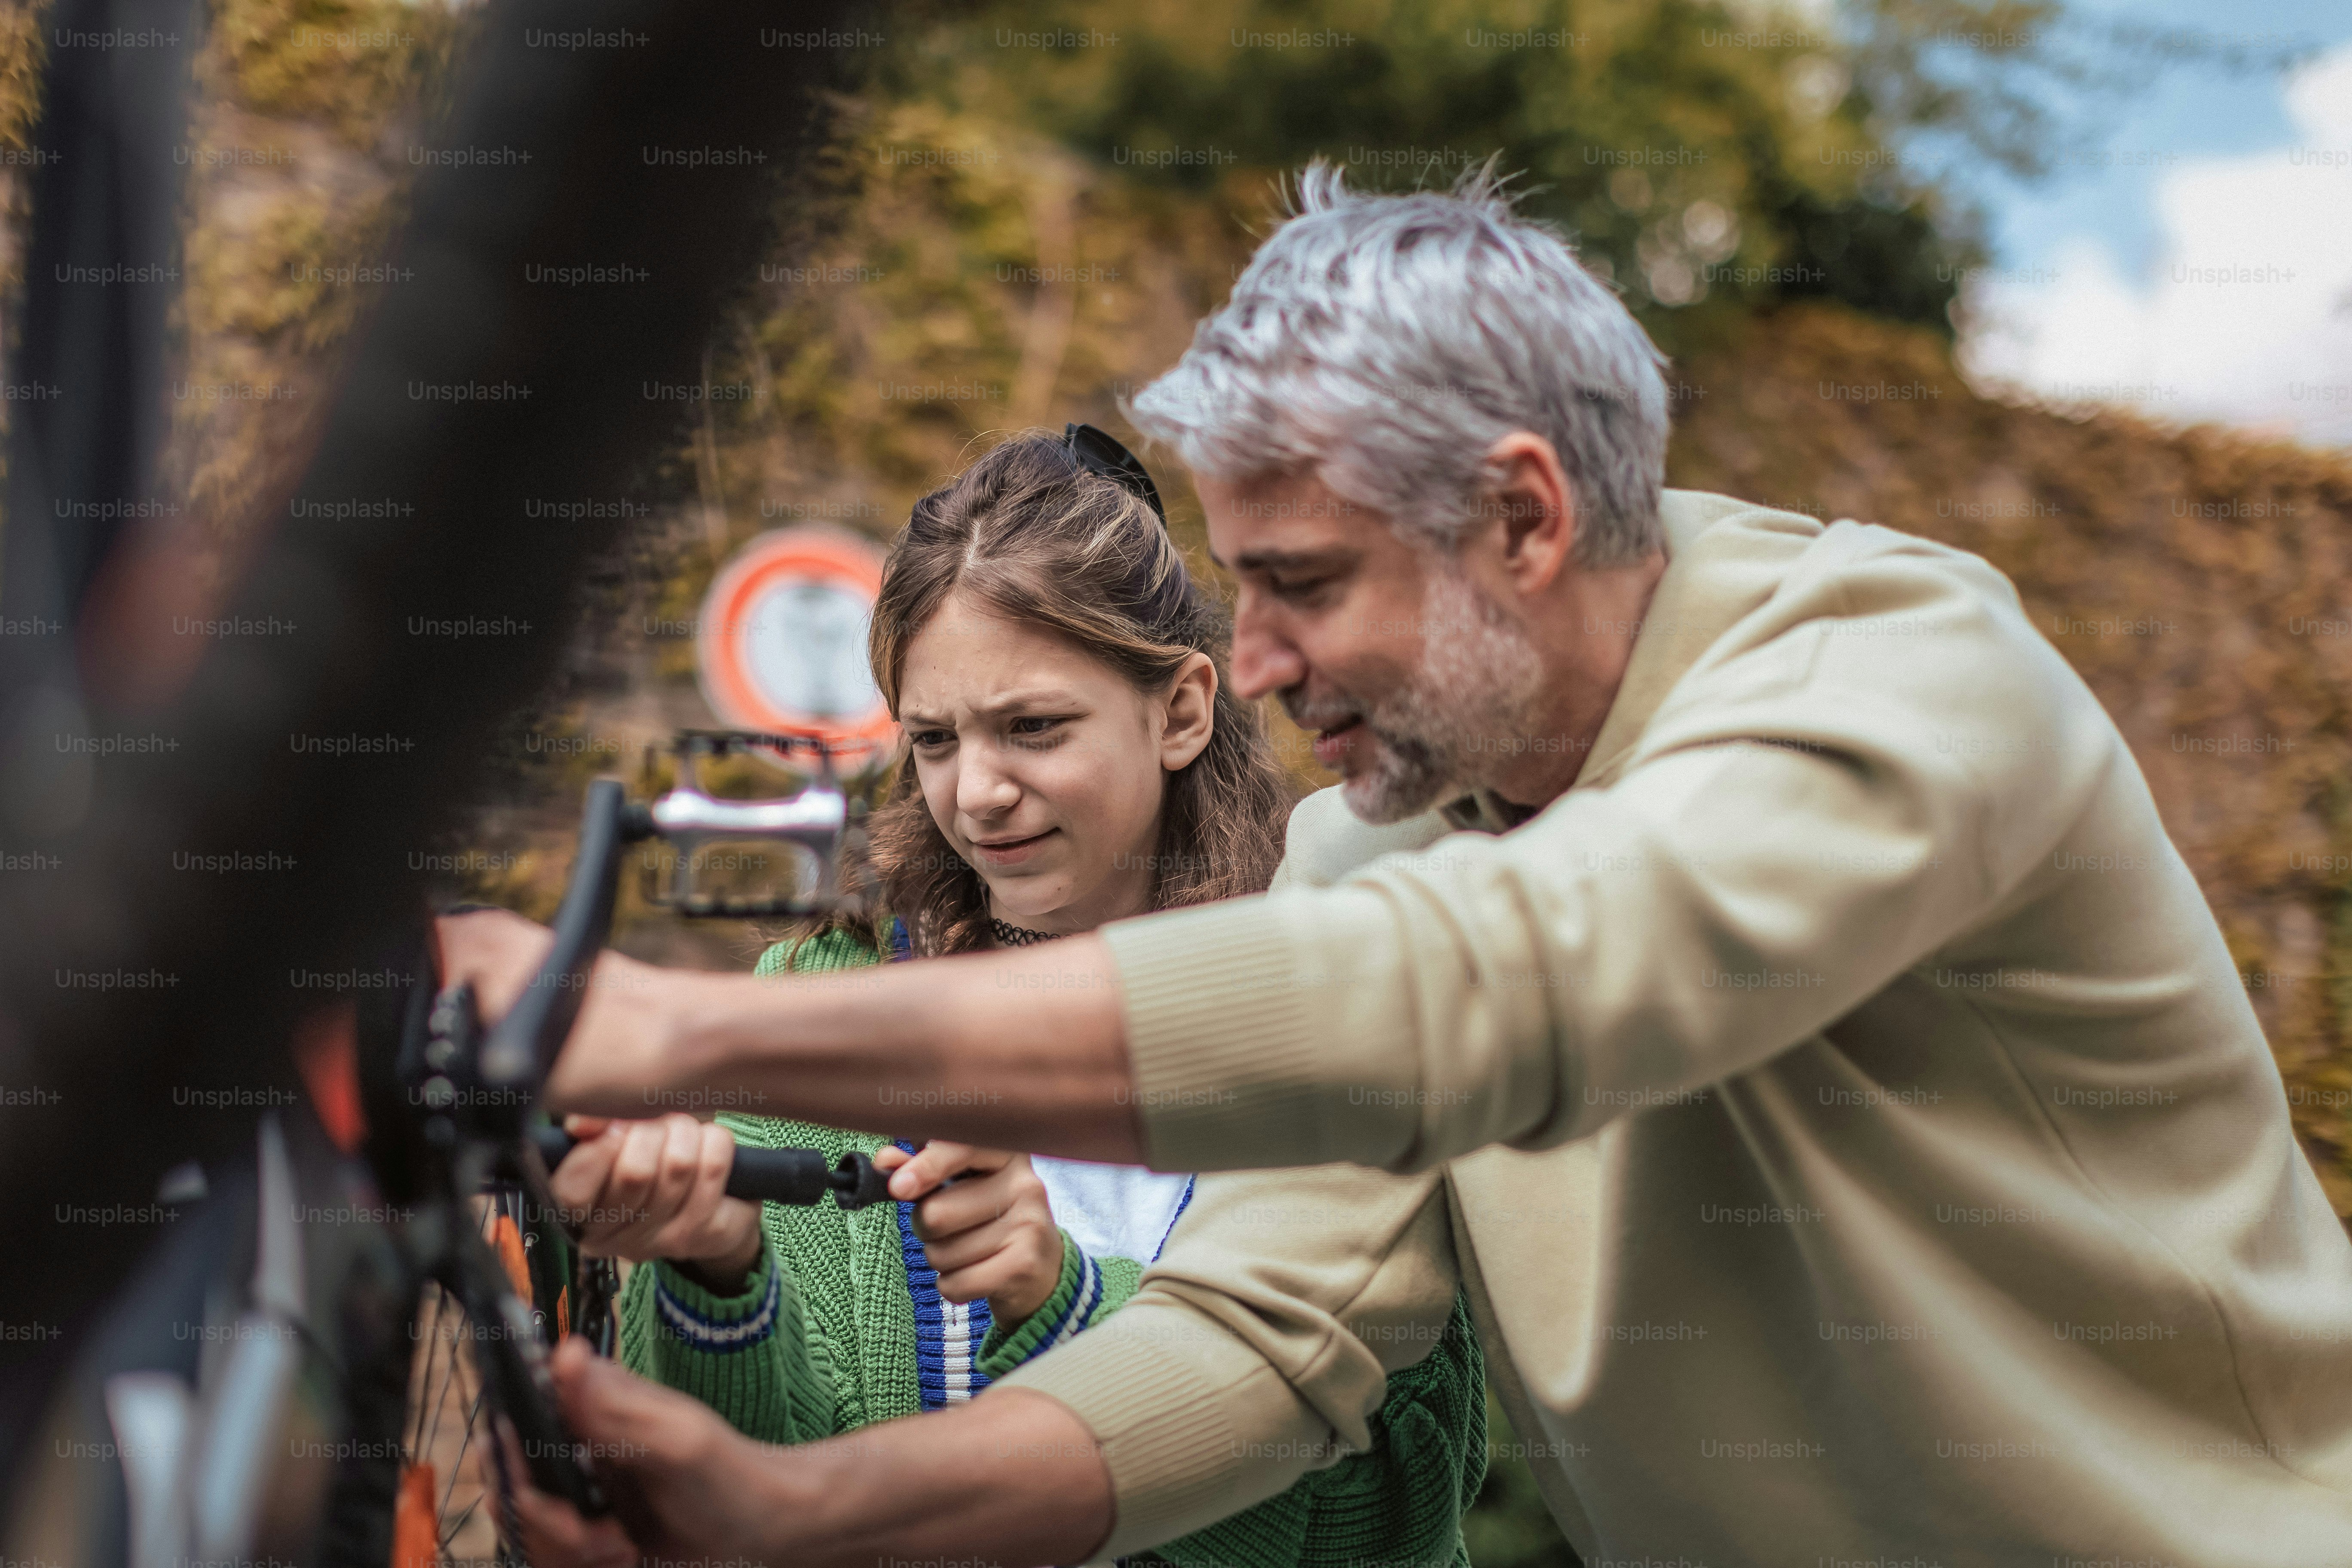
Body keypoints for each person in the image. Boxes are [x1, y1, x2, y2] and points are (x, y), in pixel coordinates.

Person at [459, 161, 2352, 1568]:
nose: (1255, 670)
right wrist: (808, 1514)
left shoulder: (1898, 674)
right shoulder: (1375, 847)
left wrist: (675, 1037)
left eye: (1302, 588)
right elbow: (1267, 1340)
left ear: (1522, 517)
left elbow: (1505, 994)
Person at [527, 426, 1486, 1568]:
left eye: (1034, 727)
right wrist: (715, 1273)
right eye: (934, 740)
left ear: (1180, 711)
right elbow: (734, 1507)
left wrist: (1063, 1303)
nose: (977, 795)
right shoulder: (821, 1010)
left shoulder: (1329, 1010)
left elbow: (1394, 1508)